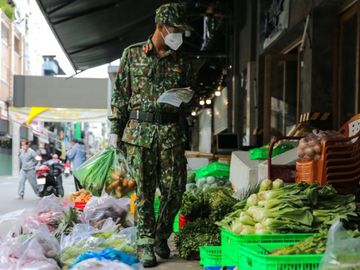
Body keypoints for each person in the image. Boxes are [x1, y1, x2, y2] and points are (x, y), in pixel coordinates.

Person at [108, 3, 192, 267]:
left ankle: (160, 236)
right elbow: (120, 96)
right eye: (175, 29)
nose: (178, 34)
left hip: (170, 133)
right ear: (161, 26)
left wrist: (186, 98)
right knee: (144, 192)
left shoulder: (182, 60)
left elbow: (189, 99)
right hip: (139, 134)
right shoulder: (132, 55)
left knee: (175, 191)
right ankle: (145, 244)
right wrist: (114, 130)